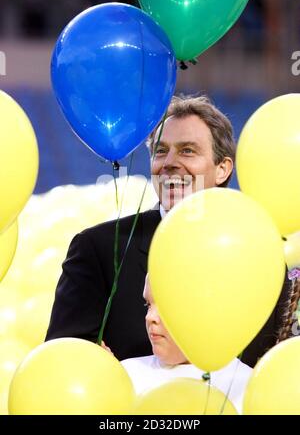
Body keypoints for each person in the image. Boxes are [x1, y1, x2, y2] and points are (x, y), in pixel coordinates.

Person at [45, 94, 290, 367]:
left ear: (222, 169)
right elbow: (62, 365)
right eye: (161, 151)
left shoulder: (264, 258)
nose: (169, 162)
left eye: (187, 150)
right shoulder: (98, 248)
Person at [121, 274, 252, 415]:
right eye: (148, 304)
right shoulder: (124, 375)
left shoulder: (248, 387)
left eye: (166, 306)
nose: (149, 317)